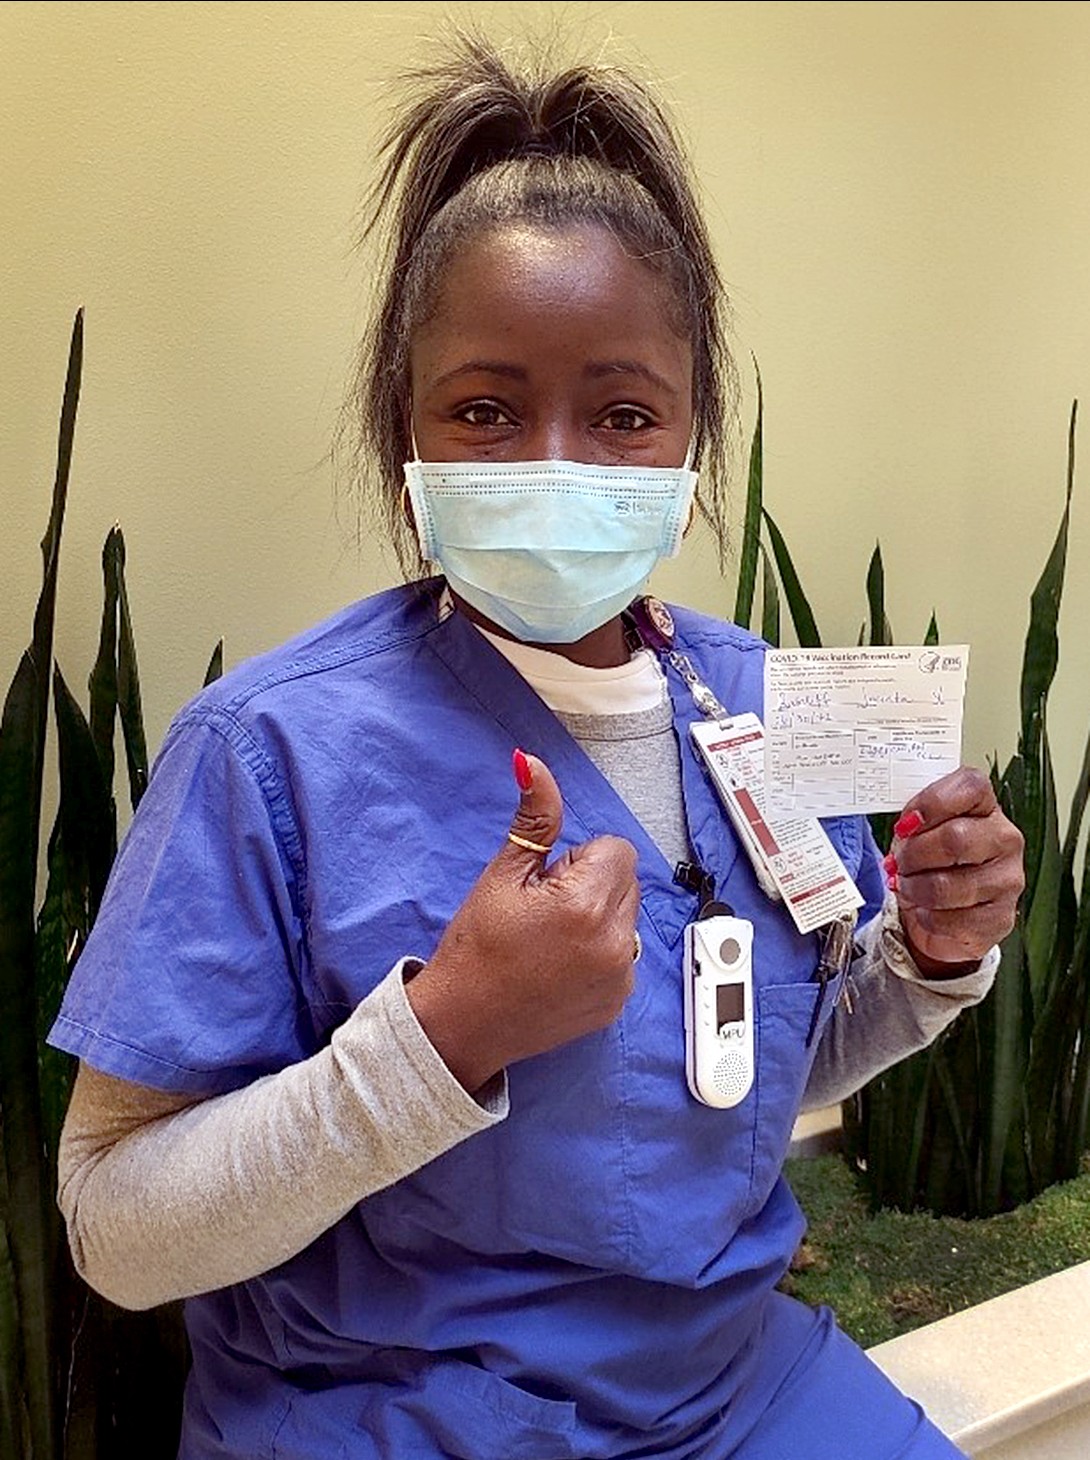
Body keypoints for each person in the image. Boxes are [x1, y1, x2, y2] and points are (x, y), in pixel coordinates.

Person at [50, 38, 1024, 1460]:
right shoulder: (267, 750)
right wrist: (446, 1033)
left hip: (727, 1382)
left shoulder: (751, 700)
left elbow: (737, 1083)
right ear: (406, 435)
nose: (552, 461)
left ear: (695, 450)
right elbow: (116, 1232)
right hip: (392, 1409)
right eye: (485, 411)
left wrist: (930, 962)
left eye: (622, 416)